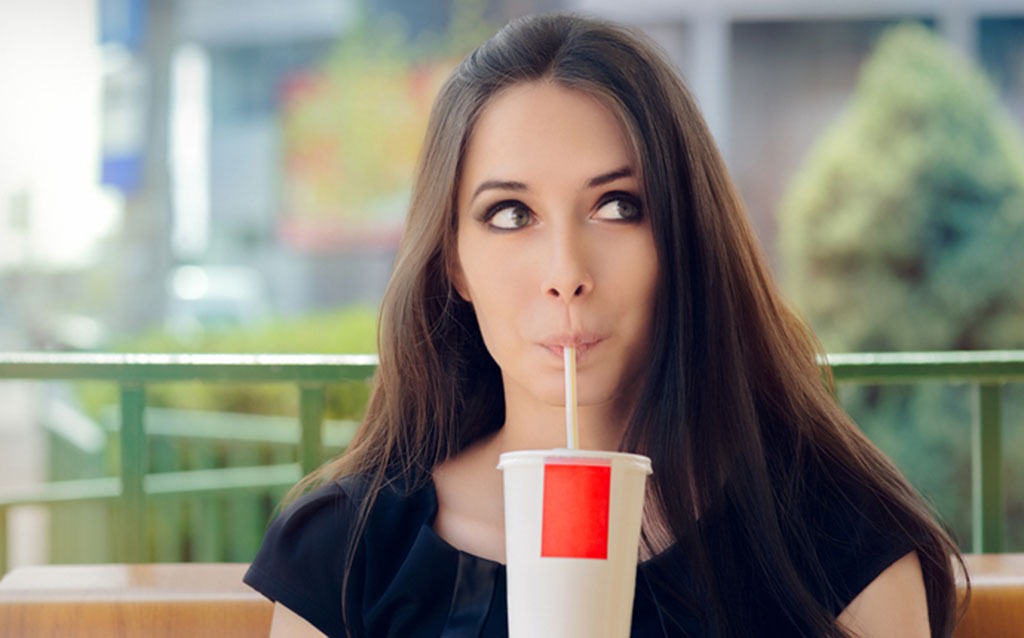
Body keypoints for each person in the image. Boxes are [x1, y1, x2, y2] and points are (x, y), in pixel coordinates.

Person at [244, 12, 965, 638]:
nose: (566, 269)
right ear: (453, 263)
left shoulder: (835, 543)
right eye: (510, 214)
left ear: (684, 238)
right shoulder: (349, 552)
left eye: (618, 206)